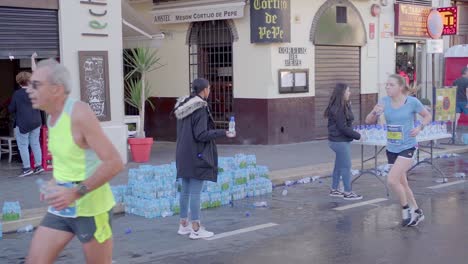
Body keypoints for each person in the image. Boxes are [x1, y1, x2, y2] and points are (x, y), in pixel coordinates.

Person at [25, 59, 124, 264]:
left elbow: (114, 162)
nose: (29, 90)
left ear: (56, 89)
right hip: (63, 208)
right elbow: (69, 161)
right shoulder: (52, 117)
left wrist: (74, 192)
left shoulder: (79, 113)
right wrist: (53, 184)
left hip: (91, 209)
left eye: (36, 85)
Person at [365, 74, 432, 227]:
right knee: (403, 183)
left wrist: (420, 127)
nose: (387, 87)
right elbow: (368, 121)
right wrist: (374, 112)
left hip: (408, 146)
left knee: (392, 180)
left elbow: (427, 116)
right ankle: (417, 211)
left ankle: (405, 210)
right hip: (392, 148)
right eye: (386, 85)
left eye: (391, 85)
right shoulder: (384, 102)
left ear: (400, 87)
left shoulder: (412, 102)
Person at [174, 78, 236, 240]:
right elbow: (201, 135)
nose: (210, 91)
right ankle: (196, 228)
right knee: (195, 192)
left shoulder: (182, 105)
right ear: (204, 90)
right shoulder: (200, 107)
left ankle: (183, 225)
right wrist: (223, 133)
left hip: (182, 152)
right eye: (209, 88)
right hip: (197, 154)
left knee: (185, 190)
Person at [324, 83, 363, 201]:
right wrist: (358, 136)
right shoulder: (339, 108)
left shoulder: (341, 106)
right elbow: (343, 127)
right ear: (342, 93)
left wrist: (349, 106)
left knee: (339, 166)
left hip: (336, 140)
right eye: (347, 91)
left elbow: (347, 123)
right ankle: (348, 192)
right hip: (339, 141)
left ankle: (334, 189)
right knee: (346, 166)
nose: (349, 93)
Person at [8, 68, 44, 177]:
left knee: (23, 146)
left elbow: (11, 109)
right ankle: (39, 167)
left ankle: (27, 168)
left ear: (19, 81)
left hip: (23, 123)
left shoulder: (17, 94)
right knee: (35, 144)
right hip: (36, 121)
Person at [453, 66, 468, 130]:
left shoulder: (455, 81)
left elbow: (453, 92)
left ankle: (454, 132)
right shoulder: (467, 81)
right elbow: (467, 92)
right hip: (464, 102)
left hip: (456, 102)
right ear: (466, 72)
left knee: (456, 118)